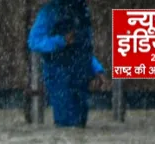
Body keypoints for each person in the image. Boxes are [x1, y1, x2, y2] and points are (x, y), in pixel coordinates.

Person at [28, 0, 107, 128]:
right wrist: (61, 41)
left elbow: (82, 49)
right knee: (66, 124)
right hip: (60, 77)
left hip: (81, 77)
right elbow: (34, 41)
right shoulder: (50, 12)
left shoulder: (83, 11)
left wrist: (97, 69)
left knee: (80, 124)